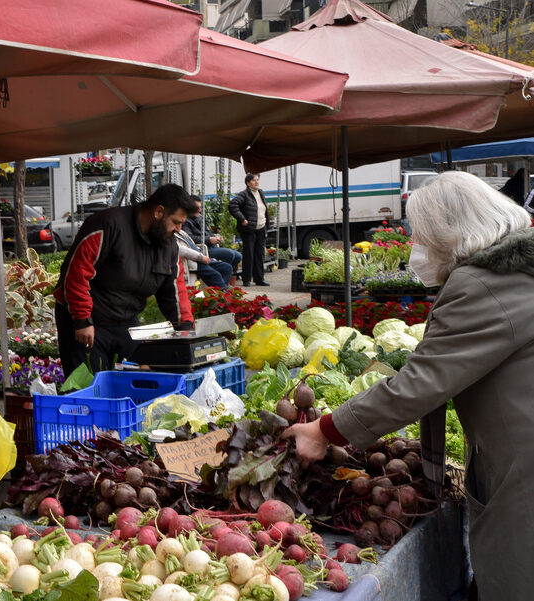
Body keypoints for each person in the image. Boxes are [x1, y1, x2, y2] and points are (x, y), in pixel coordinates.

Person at [282, 171, 534, 600]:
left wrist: (326, 429)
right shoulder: (517, 272)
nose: (416, 246)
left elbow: (419, 383)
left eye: (421, 236)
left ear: (450, 232)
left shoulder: (484, 285)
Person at [54, 184, 195, 376]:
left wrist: (186, 329)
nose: (179, 229)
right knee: (89, 387)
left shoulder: (168, 246)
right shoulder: (107, 224)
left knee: (131, 381)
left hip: (126, 322)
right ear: (159, 212)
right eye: (176, 222)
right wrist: (82, 320)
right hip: (88, 321)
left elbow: (175, 290)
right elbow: (76, 274)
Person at [183, 195, 242, 281]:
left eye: (201, 207)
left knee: (238, 256)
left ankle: (222, 275)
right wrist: (209, 240)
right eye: (198, 208)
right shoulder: (186, 221)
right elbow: (190, 238)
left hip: (210, 245)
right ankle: (220, 278)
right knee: (230, 254)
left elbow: (207, 232)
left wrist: (215, 237)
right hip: (202, 248)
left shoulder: (199, 218)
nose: (200, 210)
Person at [228, 173, 269, 286]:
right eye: (253, 180)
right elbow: (232, 205)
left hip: (261, 227)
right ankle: (246, 280)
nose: (256, 182)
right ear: (248, 183)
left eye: (257, 180)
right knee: (249, 254)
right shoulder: (244, 194)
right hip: (249, 229)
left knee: (259, 254)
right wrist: (242, 219)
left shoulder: (260, 192)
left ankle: (259, 279)